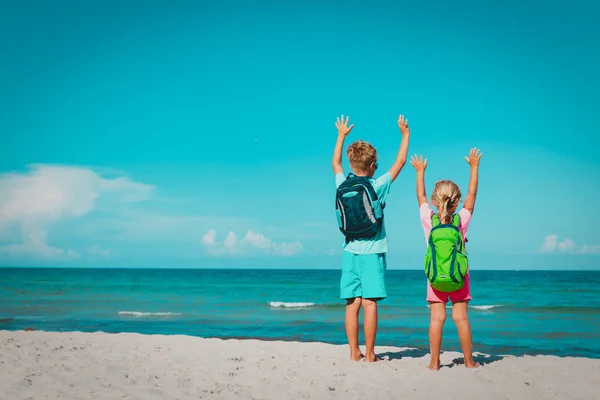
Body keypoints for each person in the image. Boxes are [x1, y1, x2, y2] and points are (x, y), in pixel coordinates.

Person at [332, 114, 410, 362]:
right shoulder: (377, 185)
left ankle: (354, 352)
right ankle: (370, 354)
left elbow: (335, 164)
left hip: (349, 251)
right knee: (370, 304)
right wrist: (405, 135)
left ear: (352, 163)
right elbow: (400, 162)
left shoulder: (342, 183)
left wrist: (341, 135)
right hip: (373, 251)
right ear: (373, 165)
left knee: (351, 304)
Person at [409, 148, 483, 370]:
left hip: (435, 277)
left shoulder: (428, 219)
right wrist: (474, 167)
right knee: (460, 318)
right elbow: (472, 199)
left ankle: (434, 362)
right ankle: (469, 362)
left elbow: (420, 197)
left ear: (434, 200)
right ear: (456, 202)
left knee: (436, 319)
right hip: (459, 276)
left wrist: (420, 171)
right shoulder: (460, 220)